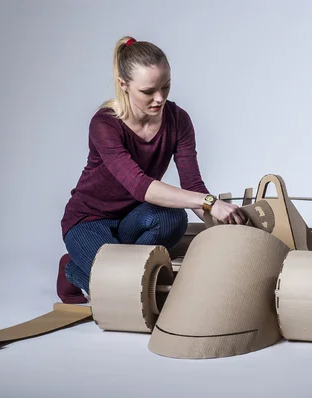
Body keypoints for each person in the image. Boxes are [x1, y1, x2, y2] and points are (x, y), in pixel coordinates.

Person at [57, 36, 247, 304]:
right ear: (123, 85)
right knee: (121, 292)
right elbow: (139, 185)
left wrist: (220, 229)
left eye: (165, 87)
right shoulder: (105, 124)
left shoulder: (178, 120)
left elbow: (192, 183)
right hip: (90, 220)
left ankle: (117, 262)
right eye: (148, 91)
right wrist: (209, 202)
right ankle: (72, 266)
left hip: (134, 218)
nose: (159, 98)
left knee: (174, 218)